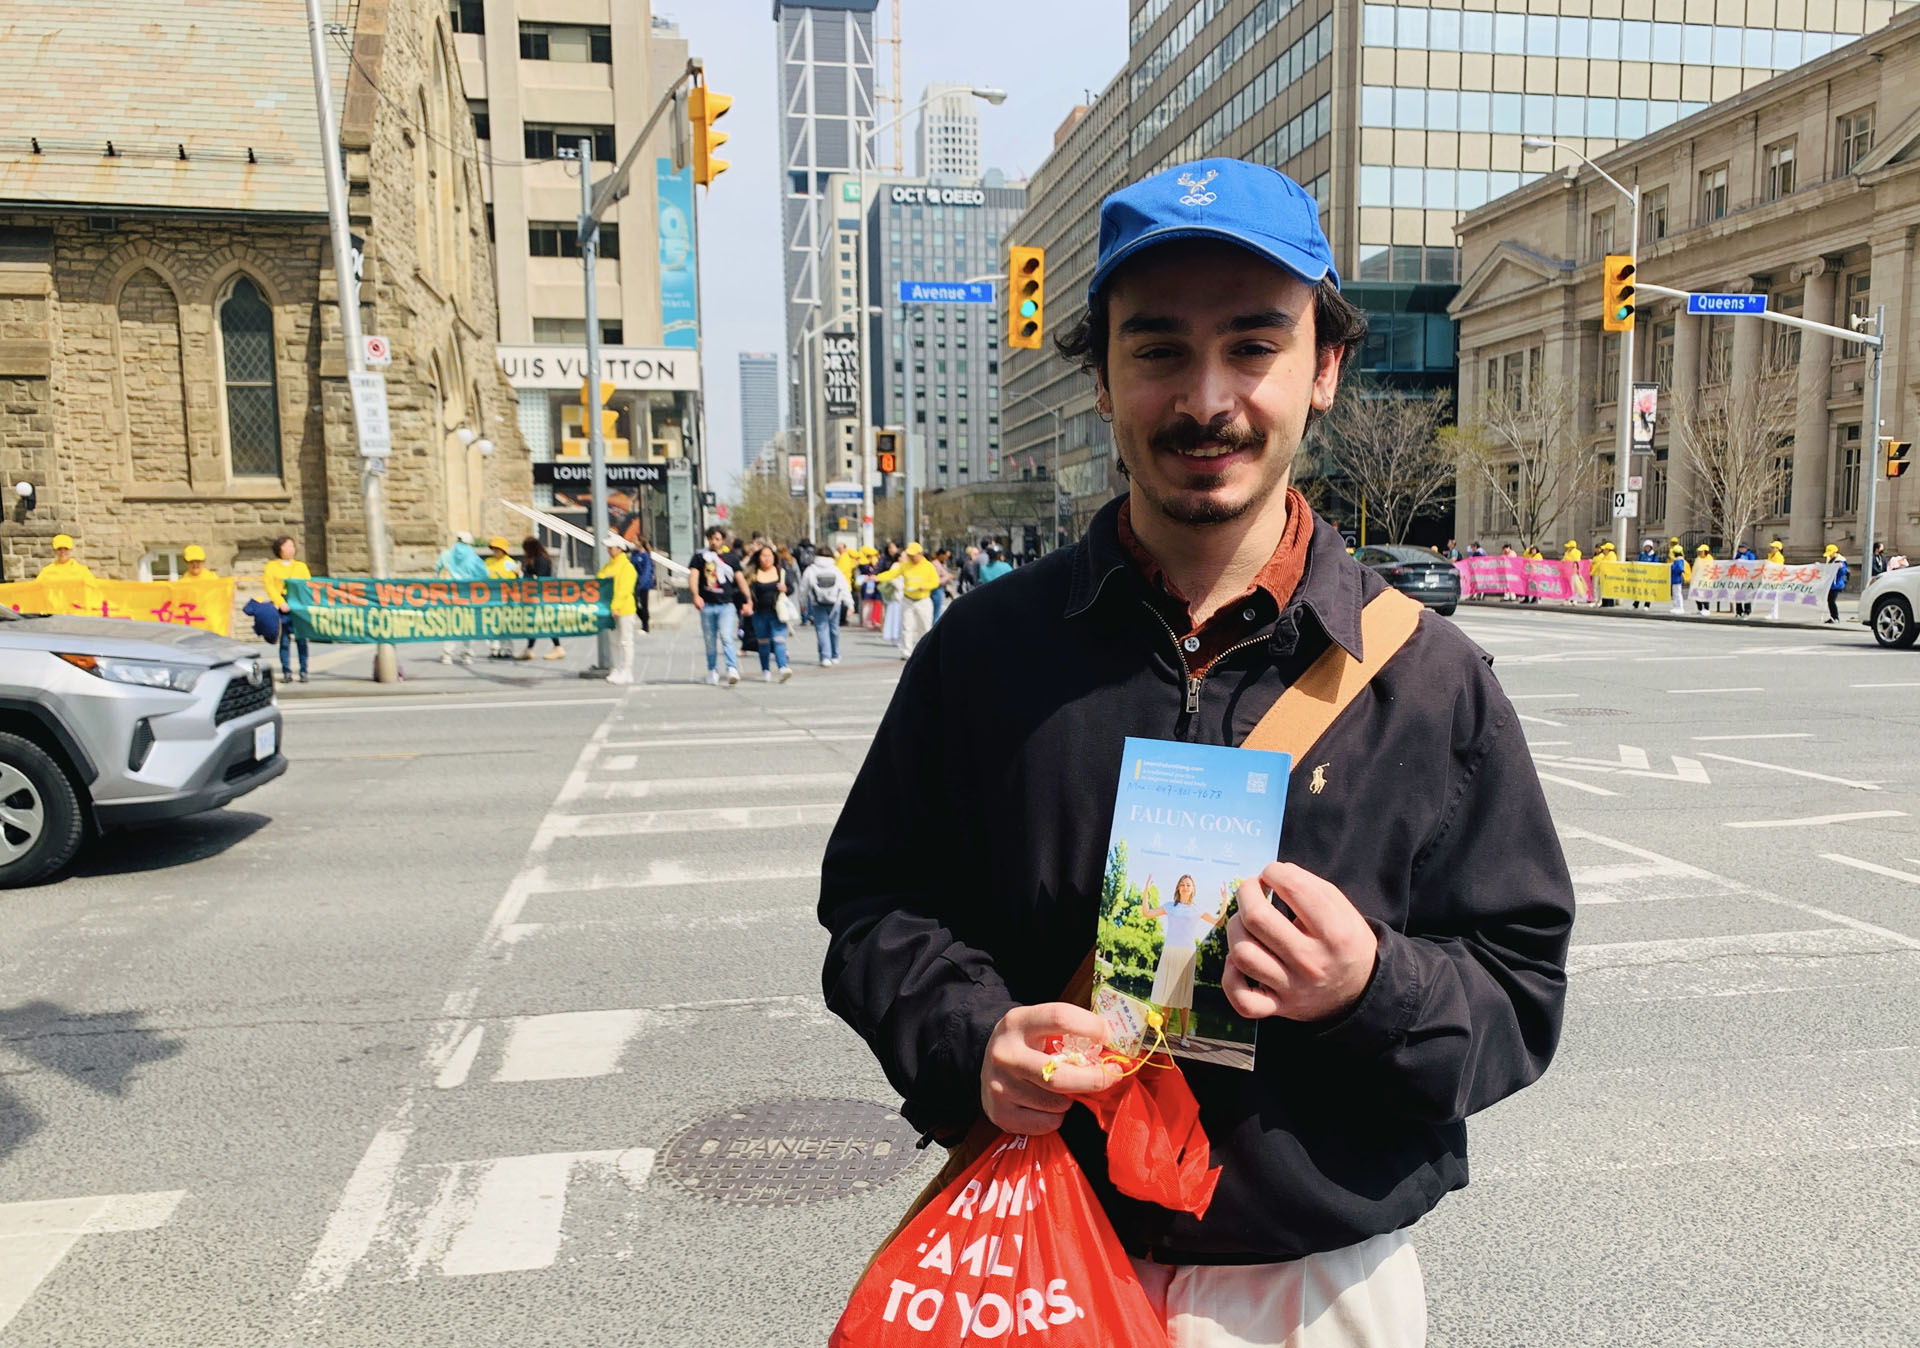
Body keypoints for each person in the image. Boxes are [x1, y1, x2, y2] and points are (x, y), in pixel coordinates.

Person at [819, 157, 1572, 1347]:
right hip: (1038, 1259)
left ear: (1324, 368)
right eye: (1159, 348)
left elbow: (1520, 989)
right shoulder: (985, 652)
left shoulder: (1431, 682)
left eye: (1254, 346)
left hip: (1311, 1291)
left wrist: (1370, 985)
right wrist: (974, 1039)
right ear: (1102, 376)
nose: (1207, 398)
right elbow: (875, 907)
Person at [1138, 874, 1222, 1045]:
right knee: (1167, 993)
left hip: (1187, 953)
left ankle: (1184, 1036)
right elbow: (1146, 913)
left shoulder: (1197, 909)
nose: (1185, 887)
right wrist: (1145, 892)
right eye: (1182, 884)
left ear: (1193, 889)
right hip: (1170, 951)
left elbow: (1218, 922)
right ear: (1178, 888)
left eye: (1188, 885)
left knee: (1185, 994)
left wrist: (1225, 900)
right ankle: (1164, 1030)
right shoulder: (1170, 906)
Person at [689, 525, 744, 686]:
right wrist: (695, 595)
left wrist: (748, 599)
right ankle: (712, 670)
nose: (714, 542)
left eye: (717, 539)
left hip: (726, 604)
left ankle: (732, 668)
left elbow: (740, 579)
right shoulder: (700, 557)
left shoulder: (731, 558)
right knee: (709, 640)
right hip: (707, 605)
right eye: (711, 539)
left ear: (723, 540)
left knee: (727, 637)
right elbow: (693, 576)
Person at [872, 541, 941, 659]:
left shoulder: (928, 566)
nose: (911, 557)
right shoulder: (905, 565)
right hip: (907, 599)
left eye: (913, 555)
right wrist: (877, 577)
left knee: (924, 628)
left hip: (923, 600)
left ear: (920, 554)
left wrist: (925, 586)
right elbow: (892, 574)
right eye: (909, 555)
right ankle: (906, 652)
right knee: (906, 627)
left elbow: (935, 582)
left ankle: (925, 652)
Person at [263, 536, 311, 682]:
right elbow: (269, 586)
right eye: (287, 546)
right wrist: (280, 602)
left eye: (292, 546)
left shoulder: (301, 566)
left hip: (298, 604)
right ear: (279, 548)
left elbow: (307, 585)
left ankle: (303, 671)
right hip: (282, 604)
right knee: (284, 640)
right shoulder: (272, 566)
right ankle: (286, 672)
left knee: (301, 639)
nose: (291, 549)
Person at [436, 532, 488, 664]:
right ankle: (467, 654)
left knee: (450, 625)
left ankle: (447, 654)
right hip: (468, 595)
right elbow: (484, 574)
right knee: (469, 625)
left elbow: (437, 571)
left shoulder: (446, 555)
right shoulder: (473, 557)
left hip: (450, 595)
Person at [744, 542, 793, 683]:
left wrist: (785, 589)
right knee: (763, 643)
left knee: (779, 641)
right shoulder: (752, 574)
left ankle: (783, 667)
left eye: (769, 556)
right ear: (758, 558)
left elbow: (791, 588)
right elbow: (745, 592)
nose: (767, 559)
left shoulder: (780, 572)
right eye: (764, 556)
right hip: (759, 614)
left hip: (777, 614)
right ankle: (765, 670)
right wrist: (747, 603)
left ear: (774, 557)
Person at [597, 537, 640, 683]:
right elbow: (600, 580)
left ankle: (626, 670)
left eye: (611, 548)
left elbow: (624, 589)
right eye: (608, 548)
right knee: (614, 641)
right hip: (610, 608)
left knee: (625, 640)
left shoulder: (627, 567)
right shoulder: (608, 566)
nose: (609, 550)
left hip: (624, 609)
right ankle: (616, 668)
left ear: (619, 549)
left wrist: (616, 606)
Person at [518, 537, 566, 661]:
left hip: (542, 596)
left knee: (544, 621)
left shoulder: (540, 559)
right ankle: (530, 649)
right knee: (534, 622)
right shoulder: (538, 558)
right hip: (536, 596)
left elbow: (539, 577)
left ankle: (557, 647)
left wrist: (523, 574)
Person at [801, 546, 851, 665]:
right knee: (834, 629)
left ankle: (825, 656)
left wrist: (803, 603)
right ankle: (835, 654)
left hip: (817, 603)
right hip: (835, 603)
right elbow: (844, 587)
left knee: (821, 629)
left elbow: (803, 588)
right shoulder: (835, 569)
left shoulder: (811, 570)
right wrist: (850, 603)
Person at [483, 537, 520, 658]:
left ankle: (507, 649)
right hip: (491, 597)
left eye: (497, 549)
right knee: (493, 623)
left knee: (505, 623)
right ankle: (494, 648)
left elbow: (519, 576)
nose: (495, 551)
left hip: (506, 597)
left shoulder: (508, 562)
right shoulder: (488, 561)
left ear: (503, 550)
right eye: (493, 549)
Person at [879, 541, 905, 645]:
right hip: (896, 595)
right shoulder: (896, 565)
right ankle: (894, 637)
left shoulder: (904, 566)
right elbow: (891, 578)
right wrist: (901, 586)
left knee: (900, 618)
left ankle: (898, 637)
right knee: (895, 617)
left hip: (902, 595)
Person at [631, 534, 656, 633]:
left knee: (644, 604)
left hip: (644, 584)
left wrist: (642, 583)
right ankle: (645, 619)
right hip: (635, 582)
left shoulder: (646, 556)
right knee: (634, 603)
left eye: (636, 540)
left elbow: (647, 571)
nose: (634, 541)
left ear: (640, 542)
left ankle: (645, 627)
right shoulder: (635, 553)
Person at [1824, 543, 1850, 624]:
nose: (1829, 555)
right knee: (1830, 601)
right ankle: (1833, 617)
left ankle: (1835, 617)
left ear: (1835, 552)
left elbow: (1843, 572)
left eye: (1830, 553)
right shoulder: (1831, 560)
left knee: (1831, 601)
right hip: (1831, 584)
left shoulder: (1840, 561)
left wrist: (1840, 568)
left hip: (1836, 584)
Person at [1694, 544, 1715, 614]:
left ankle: (1706, 609)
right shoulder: (1698, 558)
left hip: (1706, 580)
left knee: (1705, 595)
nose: (1700, 553)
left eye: (1701, 551)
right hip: (1698, 580)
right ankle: (1699, 609)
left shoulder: (1709, 558)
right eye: (1699, 551)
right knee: (1697, 595)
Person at [1669, 543, 1689, 615]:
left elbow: (1680, 569)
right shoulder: (1677, 560)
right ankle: (1676, 607)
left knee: (1678, 594)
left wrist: (1673, 568)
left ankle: (1680, 607)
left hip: (1677, 579)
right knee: (1675, 594)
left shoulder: (1679, 560)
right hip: (1674, 579)